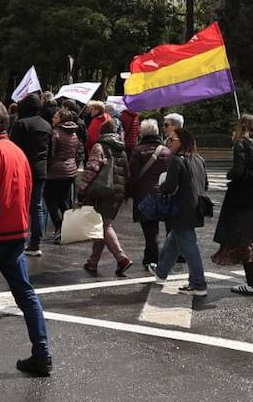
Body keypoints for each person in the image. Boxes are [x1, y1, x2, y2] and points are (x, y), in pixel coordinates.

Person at [0, 100, 53, 376]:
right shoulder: (17, 152)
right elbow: (31, 193)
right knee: (26, 294)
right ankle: (41, 352)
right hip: (17, 232)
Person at [212, 114, 253, 295]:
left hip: (241, 195)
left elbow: (238, 170)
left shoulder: (241, 143)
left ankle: (252, 281)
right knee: (246, 236)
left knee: (240, 237)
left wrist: (229, 174)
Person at [152, 127, 210, 296]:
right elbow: (205, 184)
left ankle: (198, 284)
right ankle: (161, 273)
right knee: (173, 243)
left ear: (182, 141)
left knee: (188, 246)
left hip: (181, 209)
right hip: (196, 207)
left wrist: (160, 188)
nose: (167, 143)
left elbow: (169, 186)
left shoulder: (176, 160)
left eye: (171, 140)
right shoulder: (198, 159)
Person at [79, 117, 134, 276]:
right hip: (117, 191)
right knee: (102, 225)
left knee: (104, 226)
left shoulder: (99, 146)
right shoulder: (121, 148)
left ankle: (121, 258)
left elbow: (91, 169)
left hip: (101, 191)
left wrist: (82, 190)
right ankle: (93, 261)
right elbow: (126, 172)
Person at [9, 93, 52, 255]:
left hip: (22, 169)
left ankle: (18, 238)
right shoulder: (47, 125)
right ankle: (36, 242)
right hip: (41, 170)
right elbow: (50, 151)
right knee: (37, 206)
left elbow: (13, 149)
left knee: (19, 203)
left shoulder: (20, 124)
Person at [128, 118, 170, 273]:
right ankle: (156, 257)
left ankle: (152, 258)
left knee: (149, 230)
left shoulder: (138, 151)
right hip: (162, 194)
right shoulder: (166, 151)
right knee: (159, 228)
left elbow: (132, 175)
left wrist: (128, 193)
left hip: (144, 195)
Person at [44, 104, 83, 244]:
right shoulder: (74, 134)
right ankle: (67, 228)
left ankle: (59, 225)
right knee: (63, 200)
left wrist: (47, 167)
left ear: (61, 119)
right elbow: (77, 153)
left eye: (55, 116)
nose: (53, 118)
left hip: (56, 171)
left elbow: (51, 153)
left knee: (49, 198)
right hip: (70, 171)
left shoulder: (55, 133)